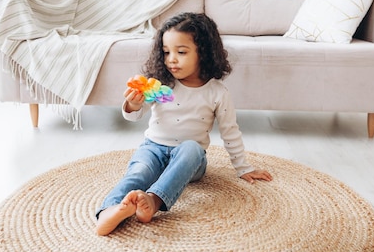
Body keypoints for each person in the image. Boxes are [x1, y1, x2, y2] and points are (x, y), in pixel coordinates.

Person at [95, 12, 272, 236]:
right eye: (166, 52)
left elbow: (230, 132)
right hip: (153, 148)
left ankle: (154, 201)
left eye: (181, 52)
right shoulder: (161, 86)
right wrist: (132, 104)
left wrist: (243, 167)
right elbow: (133, 116)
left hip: (190, 160)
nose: (171, 59)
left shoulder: (216, 92)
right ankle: (108, 211)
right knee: (138, 172)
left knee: (192, 148)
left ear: (204, 53)